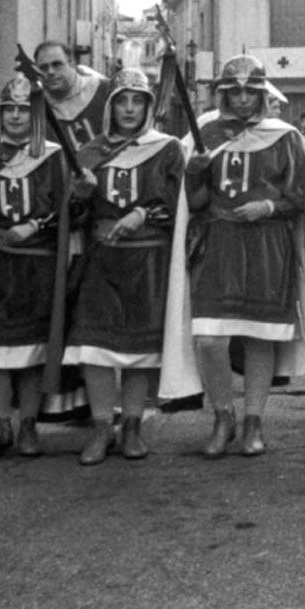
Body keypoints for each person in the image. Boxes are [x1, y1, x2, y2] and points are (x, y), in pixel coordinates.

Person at [185, 56, 305, 458]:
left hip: (268, 246)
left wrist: (266, 208)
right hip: (218, 245)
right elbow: (195, 202)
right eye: (234, 91)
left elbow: (299, 196)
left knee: (258, 336)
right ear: (223, 93)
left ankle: (254, 420)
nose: (242, 98)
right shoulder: (204, 131)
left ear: (262, 93)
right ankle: (223, 415)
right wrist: (195, 173)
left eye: (250, 91)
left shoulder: (284, 135)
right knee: (208, 339)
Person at [64, 68, 191, 465]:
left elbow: (178, 202)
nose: (130, 108)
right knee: (96, 348)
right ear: (111, 106)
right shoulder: (89, 152)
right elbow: (71, 214)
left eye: (138, 101)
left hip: (148, 259)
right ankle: (103, 428)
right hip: (102, 258)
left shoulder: (168, 148)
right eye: (122, 100)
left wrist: (144, 214)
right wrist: (81, 195)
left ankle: (132, 426)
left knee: (139, 350)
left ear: (149, 106)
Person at [0, 74, 71, 459]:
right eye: (9, 109)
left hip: (37, 267)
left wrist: (35, 225)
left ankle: (27, 425)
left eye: (24, 109)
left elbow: (70, 210)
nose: (16, 116)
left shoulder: (55, 156)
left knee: (30, 352)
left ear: (36, 114)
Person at [34, 40, 110, 149]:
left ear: (72, 64)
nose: (50, 72)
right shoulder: (36, 109)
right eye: (43, 68)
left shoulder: (104, 91)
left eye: (57, 64)